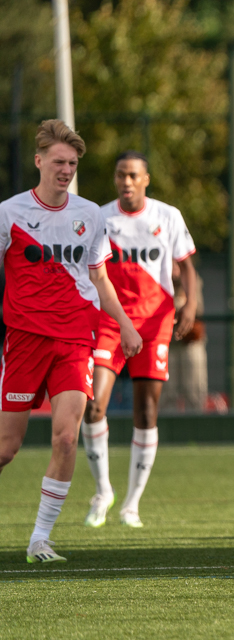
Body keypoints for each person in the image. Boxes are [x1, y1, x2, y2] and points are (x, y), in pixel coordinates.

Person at [0, 121, 142, 562]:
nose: (66, 170)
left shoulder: (90, 215)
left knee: (65, 438)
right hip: (24, 339)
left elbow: (99, 276)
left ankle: (40, 539)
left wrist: (126, 324)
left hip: (76, 338)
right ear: (39, 161)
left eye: (73, 164)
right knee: (7, 447)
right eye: (59, 162)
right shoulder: (9, 213)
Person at [81, 150, 198, 529]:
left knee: (146, 413)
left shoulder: (168, 216)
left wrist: (190, 307)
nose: (126, 182)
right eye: (120, 175)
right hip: (110, 320)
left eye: (133, 175)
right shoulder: (99, 217)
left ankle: (131, 504)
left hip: (154, 321)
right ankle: (103, 491)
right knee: (93, 407)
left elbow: (187, 267)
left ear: (146, 179)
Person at [162, 258, 208, 412]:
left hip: (190, 342)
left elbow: (197, 309)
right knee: (167, 393)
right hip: (168, 344)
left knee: (194, 390)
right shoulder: (159, 279)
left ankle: (195, 431)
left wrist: (182, 304)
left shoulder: (193, 279)